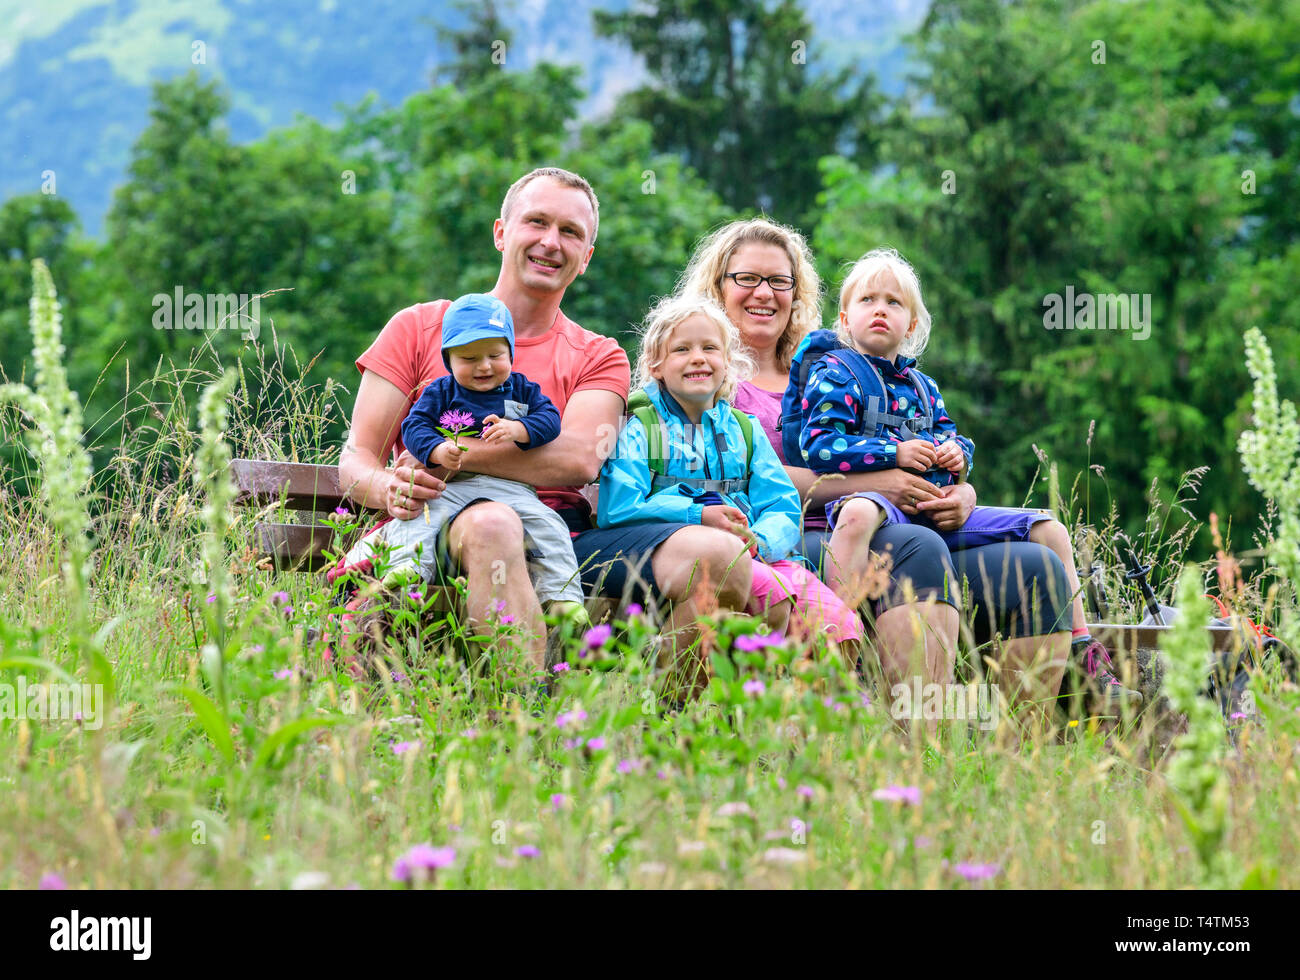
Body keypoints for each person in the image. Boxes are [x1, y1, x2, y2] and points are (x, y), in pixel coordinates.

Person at [675, 218, 1073, 727]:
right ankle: (911, 742)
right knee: (917, 548)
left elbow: (926, 437)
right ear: (717, 285)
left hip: (896, 522)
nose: (764, 294)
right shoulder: (701, 372)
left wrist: (962, 493)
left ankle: (1020, 751)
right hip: (791, 538)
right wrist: (875, 485)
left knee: (1037, 566)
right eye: (746, 278)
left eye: (780, 281)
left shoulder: (837, 367)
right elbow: (745, 480)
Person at [801, 247, 1140, 709]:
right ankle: (841, 645)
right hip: (873, 501)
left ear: (912, 325)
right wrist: (893, 452)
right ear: (845, 318)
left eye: (894, 303)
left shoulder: (925, 387)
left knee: (1049, 529)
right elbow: (819, 445)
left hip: (932, 507)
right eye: (867, 300)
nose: (880, 309)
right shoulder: (835, 373)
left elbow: (955, 439)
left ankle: (1082, 657)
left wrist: (956, 457)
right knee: (857, 515)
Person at [333, 167, 627, 676]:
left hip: (548, 535)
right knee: (490, 524)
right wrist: (390, 488)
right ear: (501, 233)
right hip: (428, 527)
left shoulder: (598, 355)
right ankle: (520, 720)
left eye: (571, 232)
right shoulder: (418, 327)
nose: (551, 243)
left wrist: (452, 454)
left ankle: (515, 721)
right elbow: (357, 457)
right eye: (536, 222)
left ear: (586, 260)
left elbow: (578, 457)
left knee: (497, 520)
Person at [596, 295, 864, 696]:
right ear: (656, 365)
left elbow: (781, 502)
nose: (698, 358)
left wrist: (763, 541)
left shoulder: (745, 428)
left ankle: (796, 731)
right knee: (769, 598)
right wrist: (696, 515)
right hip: (690, 552)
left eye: (710, 348)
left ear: (728, 361)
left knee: (840, 630)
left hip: (764, 555)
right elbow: (619, 508)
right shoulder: (641, 428)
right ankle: (721, 710)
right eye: (682, 349)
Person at [339, 293, 583, 611]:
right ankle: (407, 568)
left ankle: (562, 595)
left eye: (495, 355)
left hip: (511, 488)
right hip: (452, 485)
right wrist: (437, 450)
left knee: (549, 523)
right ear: (449, 361)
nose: (484, 366)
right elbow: (414, 427)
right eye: (468, 359)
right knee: (421, 520)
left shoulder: (523, 389)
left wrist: (520, 430)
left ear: (510, 353)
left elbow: (549, 420)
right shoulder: (440, 391)